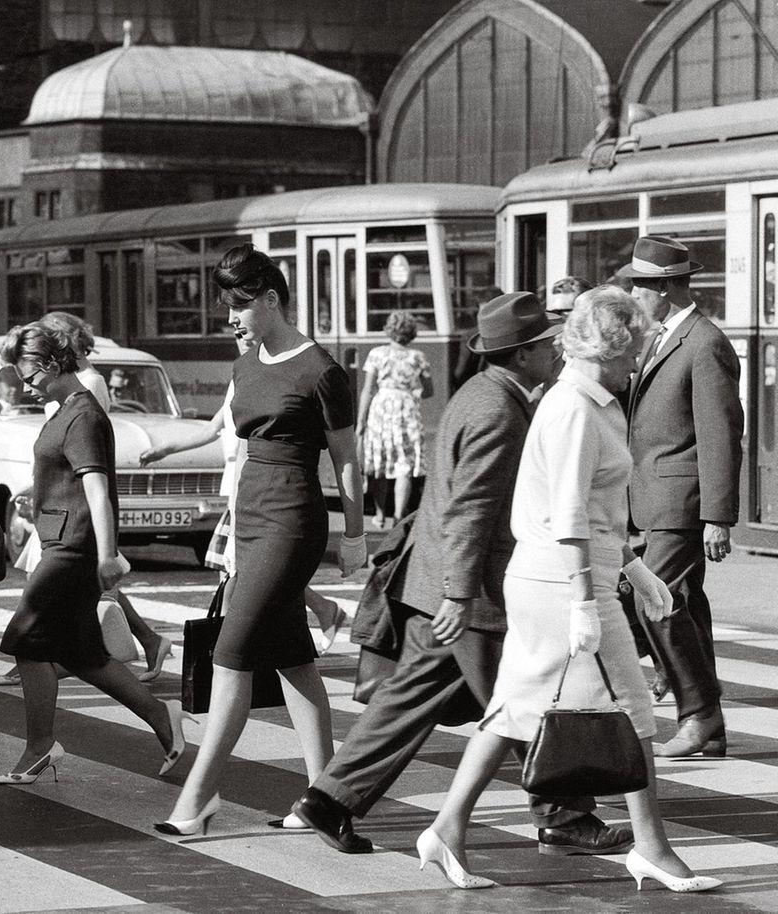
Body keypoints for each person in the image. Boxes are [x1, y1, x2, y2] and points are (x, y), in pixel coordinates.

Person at [295, 292, 629, 857]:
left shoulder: (485, 393)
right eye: (547, 344)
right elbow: (470, 509)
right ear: (521, 356)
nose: (557, 350)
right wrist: (457, 596)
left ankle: (329, 799)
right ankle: (565, 815)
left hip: (449, 585)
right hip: (468, 592)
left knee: (417, 700)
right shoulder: (498, 409)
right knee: (530, 694)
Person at [420, 287, 720, 894]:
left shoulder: (588, 401)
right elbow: (568, 515)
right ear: (610, 348)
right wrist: (589, 597)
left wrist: (634, 569)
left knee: (513, 710)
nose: (639, 360)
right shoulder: (576, 409)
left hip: (553, 578)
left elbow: (595, 511)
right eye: (634, 347)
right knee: (633, 711)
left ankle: (446, 828)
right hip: (562, 584)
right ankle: (654, 849)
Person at [157, 244, 366, 836]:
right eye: (228, 306)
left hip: (293, 520)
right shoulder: (246, 364)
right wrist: (229, 524)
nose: (231, 318)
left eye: (240, 306)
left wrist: (354, 537)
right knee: (295, 659)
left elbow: (348, 462)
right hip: (250, 516)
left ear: (271, 298)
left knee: (231, 654)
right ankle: (326, 801)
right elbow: (240, 448)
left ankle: (196, 801)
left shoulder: (322, 370)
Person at [0, 321, 186, 787]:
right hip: (62, 538)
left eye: (30, 376)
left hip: (74, 546)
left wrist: (107, 555)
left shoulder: (83, 416)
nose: (26, 386)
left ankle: (41, 747)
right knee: (82, 655)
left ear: (53, 364)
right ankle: (163, 717)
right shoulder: (66, 410)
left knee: (25, 641)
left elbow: (98, 491)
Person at [139, 335, 344, 654]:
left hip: (252, 490)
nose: (241, 337)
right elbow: (212, 429)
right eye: (236, 333)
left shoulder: (278, 377)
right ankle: (312, 615)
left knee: (247, 576)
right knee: (250, 576)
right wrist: (167, 449)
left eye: (247, 332)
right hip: (239, 484)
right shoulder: (243, 374)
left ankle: (229, 652)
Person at [623, 236, 742, 758]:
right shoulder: (656, 338)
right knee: (687, 606)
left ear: (666, 288)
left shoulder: (703, 341)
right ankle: (708, 728)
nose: (633, 294)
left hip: (682, 500)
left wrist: (718, 515)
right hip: (652, 497)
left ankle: (699, 714)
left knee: (653, 597)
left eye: (640, 286)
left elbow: (720, 433)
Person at [357, 311, 432, 528]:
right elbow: (428, 391)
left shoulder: (376, 354)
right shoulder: (418, 357)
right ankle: (399, 515)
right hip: (407, 409)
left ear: (389, 330)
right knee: (404, 465)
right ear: (411, 333)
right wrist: (411, 394)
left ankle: (380, 515)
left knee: (380, 463)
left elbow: (367, 390)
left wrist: (361, 422)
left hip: (381, 408)